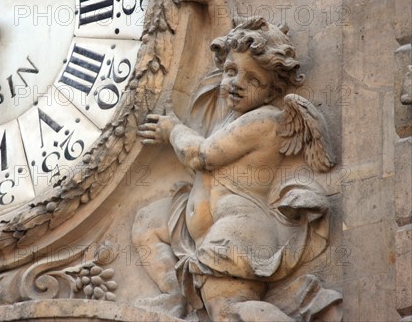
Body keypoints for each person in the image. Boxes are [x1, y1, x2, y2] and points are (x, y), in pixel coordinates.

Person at [134, 16, 341, 321]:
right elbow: (221, 29)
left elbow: (202, 155)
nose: (236, 84)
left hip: (241, 232)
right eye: (230, 71)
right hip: (201, 230)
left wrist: (173, 130)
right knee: (147, 222)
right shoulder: (229, 114)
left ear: (272, 93)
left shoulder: (265, 120)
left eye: (253, 80)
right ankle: (174, 297)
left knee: (227, 311)